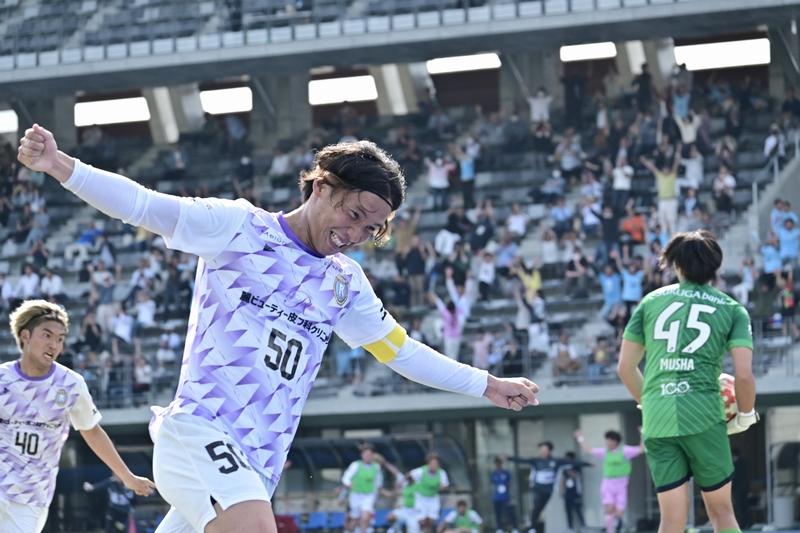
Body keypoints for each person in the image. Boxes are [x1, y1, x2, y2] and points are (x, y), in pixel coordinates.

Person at [17, 123, 539, 533]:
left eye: (372, 228)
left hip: (259, 467)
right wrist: (60, 165)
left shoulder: (345, 284)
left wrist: (486, 384)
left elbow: (401, 353)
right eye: (354, 214)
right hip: (200, 434)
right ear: (322, 186)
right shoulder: (239, 228)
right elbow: (144, 206)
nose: (356, 233)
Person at [617, 230, 758, 533]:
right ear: (716, 266)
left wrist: (649, 402)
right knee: (721, 512)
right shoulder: (732, 309)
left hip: (658, 419)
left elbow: (625, 368)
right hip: (703, 414)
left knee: (671, 521)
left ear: (676, 265)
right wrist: (745, 415)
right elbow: (744, 375)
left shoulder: (650, 302)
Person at [0, 300, 154, 533]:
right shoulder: (3, 379)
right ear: (25, 336)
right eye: (47, 335)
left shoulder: (71, 384)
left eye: (60, 339)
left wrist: (127, 477)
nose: (54, 344)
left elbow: (92, 432)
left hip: (30, 497)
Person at [508, 443, 589, 533]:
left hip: (548, 490)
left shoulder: (555, 461)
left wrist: (586, 464)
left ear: (549, 451)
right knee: (536, 507)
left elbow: (572, 462)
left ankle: (533, 526)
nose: (542, 452)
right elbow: (522, 460)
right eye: (541, 450)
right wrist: (509, 458)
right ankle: (532, 528)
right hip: (537, 488)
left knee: (540, 508)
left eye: (545, 450)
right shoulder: (536, 461)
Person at [574, 429, 644, 533]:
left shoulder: (625, 451)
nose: (607, 443)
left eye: (610, 440)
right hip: (608, 484)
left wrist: (643, 434)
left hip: (621, 484)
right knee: (609, 509)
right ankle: (610, 529)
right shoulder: (604, 452)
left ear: (615, 441)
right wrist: (580, 438)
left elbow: (641, 449)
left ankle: (616, 524)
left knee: (619, 512)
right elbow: (588, 449)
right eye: (607, 440)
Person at [341, 443, 383, 533]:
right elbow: (345, 478)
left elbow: (378, 483)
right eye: (366, 454)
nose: (368, 456)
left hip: (369, 496)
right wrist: (349, 484)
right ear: (362, 455)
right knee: (355, 519)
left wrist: (376, 496)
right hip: (355, 495)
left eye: (370, 454)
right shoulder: (355, 465)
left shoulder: (376, 467)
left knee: (365, 517)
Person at [410, 453, 450, 533]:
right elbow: (409, 476)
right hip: (421, 498)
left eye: (436, 463)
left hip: (433, 497)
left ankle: (428, 530)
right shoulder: (421, 471)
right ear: (428, 464)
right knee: (422, 520)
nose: (434, 465)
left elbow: (445, 485)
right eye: (432, 463)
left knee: (432, 520)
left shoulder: (441, 473)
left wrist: (441, 487)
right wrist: (413, 484)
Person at [490, 456, 518, 533]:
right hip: (497, 497)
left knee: (509, 513)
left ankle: (514, 527)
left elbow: (510, 483)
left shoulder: (506, 473)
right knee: (498, 514)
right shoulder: (494, 474)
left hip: (505, 497)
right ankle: (499, 528)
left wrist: (506, 487)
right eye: (497, 463)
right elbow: (493, 483)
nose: (498, 465)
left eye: (499, 463)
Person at [559, 452, 586, 533]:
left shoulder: (577, 466)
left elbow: (577, 476)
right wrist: (561, 490)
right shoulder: (564, 468)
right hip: (567, 493)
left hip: (575, 492)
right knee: (568, 511)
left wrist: (570, 472)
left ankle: (583, 526)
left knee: (578, 510)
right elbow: (562, 479)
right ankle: (570, 527)